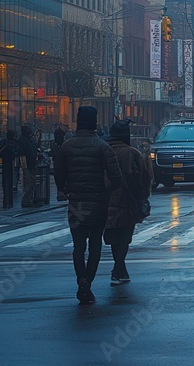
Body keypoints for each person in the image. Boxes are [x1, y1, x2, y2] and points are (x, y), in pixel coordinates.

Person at [53, 106, 125, 305]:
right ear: (94, 123)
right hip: (98, 203)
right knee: (95, 245)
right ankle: (87, 282)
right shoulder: (103, 147)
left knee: (78, 246)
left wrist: (63, 190)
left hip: (76, 202)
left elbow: (58, 171)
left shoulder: (67, 146)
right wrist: (108, 190)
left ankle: (81, 279)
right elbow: (116, 177)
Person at [104, 120, 153, 284]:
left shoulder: (103, 150)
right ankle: (118, 270)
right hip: (127, 201)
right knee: (124, 237)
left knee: (113, 238)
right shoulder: (132, 153)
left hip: (106, 201)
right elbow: (145, 179)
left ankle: (120, 270)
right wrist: (143, 196)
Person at [18, 125, 40, 207]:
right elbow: (24, 153)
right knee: (28, 182)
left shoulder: (28, 139)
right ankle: (26, 200)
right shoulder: (23, 140)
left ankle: (29, 199)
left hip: (31, 163)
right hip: (27, 164)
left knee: (31, 182)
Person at [0, 130, 18, 209]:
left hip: (6, 164)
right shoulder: (10, 144)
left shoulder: (6, 143)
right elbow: (15, 152)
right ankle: (8, 202)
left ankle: (7, 202)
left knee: (6, 184)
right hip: (9, 164)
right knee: (8, 183)